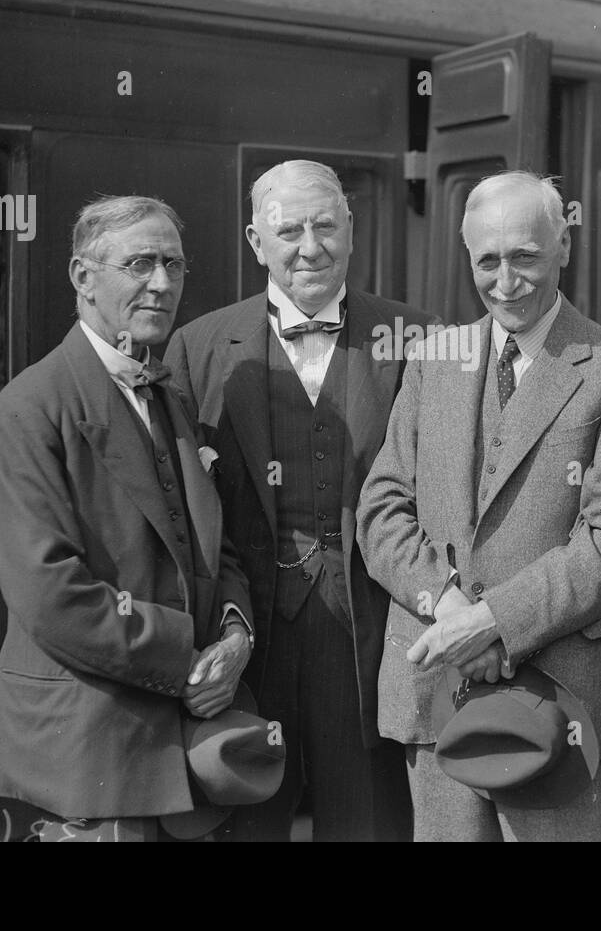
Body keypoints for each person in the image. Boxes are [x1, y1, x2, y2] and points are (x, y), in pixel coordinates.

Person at [358, 170, 601, 841]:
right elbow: (381, 509)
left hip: (563, 695)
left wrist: (496, 621)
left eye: (525, 255)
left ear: (564, 247)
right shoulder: (434, 358)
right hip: (439, 693)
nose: (506, 280)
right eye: (487, 260)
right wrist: (452, 608)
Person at [165, 160, 427, 841]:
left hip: (367, 634)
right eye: (288, 230)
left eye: (324, 226)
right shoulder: (197, 348)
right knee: (247, 824)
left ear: (351, 229)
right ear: (256, 242)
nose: (309, 246)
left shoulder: (418, 338)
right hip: (250, 636)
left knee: (369, 823)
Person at [0, 195, 253, 842]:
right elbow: (52, 597)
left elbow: (218, 547)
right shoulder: (29, 410)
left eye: (174, 265)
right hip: (93, 747)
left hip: (182, 749)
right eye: (140, 264)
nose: (162, 283)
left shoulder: (169, 398)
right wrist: (188, 659)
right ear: (83, 277)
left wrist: (237, 637)